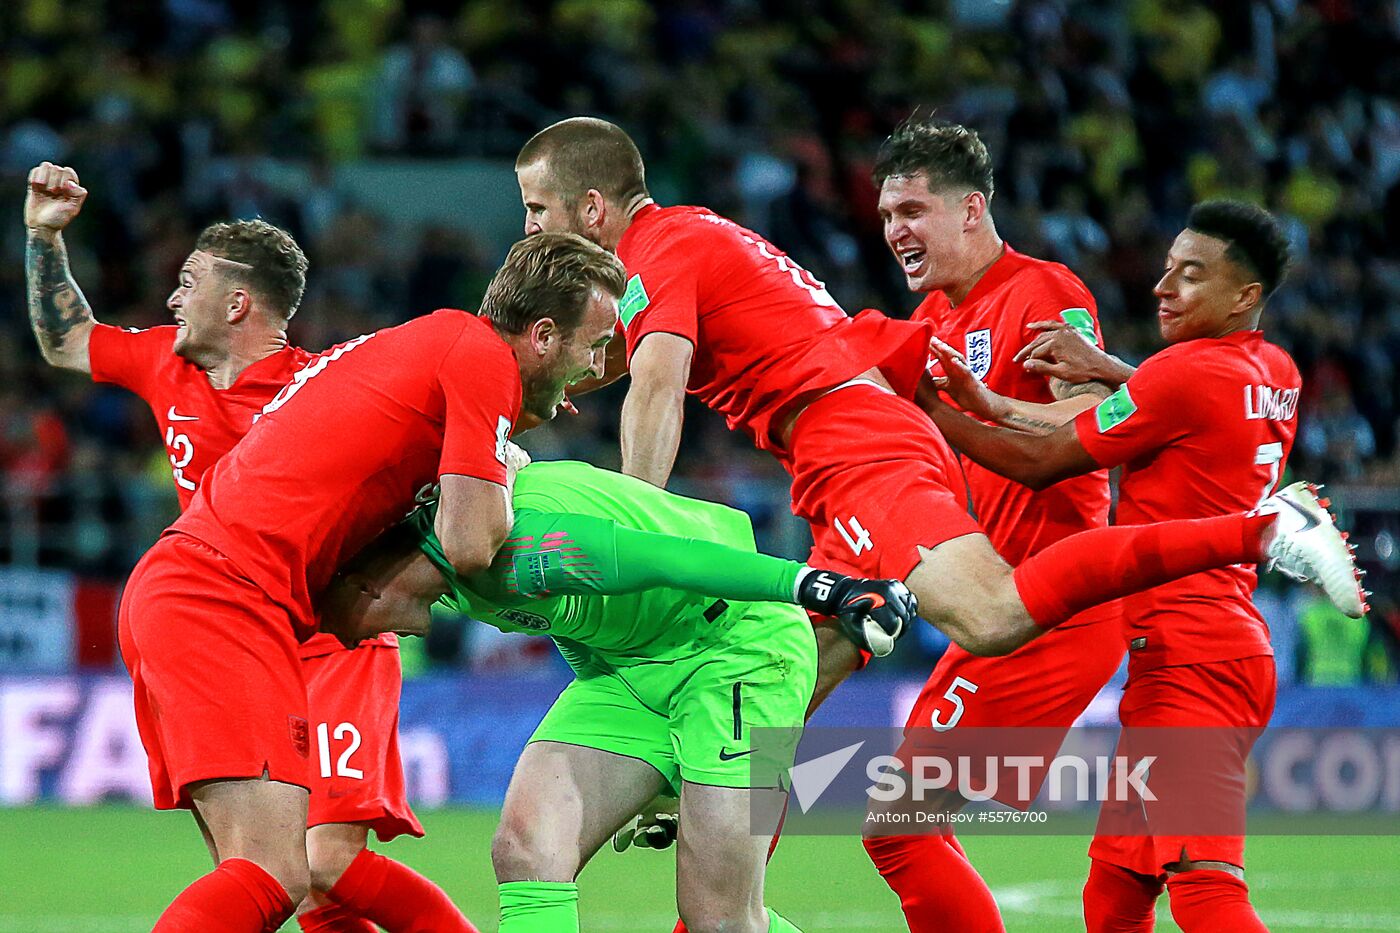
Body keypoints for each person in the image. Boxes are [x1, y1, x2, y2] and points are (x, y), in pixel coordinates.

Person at [511, 116, 1359, 695]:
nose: (529, 233)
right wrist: (512, 401)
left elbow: (657, 380)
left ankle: (1266, 529)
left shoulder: (666, 248)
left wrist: (636, 533)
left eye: (538, 212)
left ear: (593, 209)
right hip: (832, 448)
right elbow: (608, 359)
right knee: (800, 655)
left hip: (855, 435)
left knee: (985, 623)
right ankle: (703, 790)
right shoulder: (673, 256)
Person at [110, 230, 624, 932]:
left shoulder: (431, 344)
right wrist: (506, 453)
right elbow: (469, 542)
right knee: (279, 870)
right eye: (593, 347)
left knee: (276, 877)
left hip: (195, 588)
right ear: (541, 335)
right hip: (225, 597)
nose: (594, 370)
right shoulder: (476, 357)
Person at [22, 162, 474, 933]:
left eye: (188, 280)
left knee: (322, 862)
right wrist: (43, 235)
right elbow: (67, 341)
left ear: (236, 301)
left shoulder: (324, 388)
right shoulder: (168, 363)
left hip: (330, 636)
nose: (170, 298)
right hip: (230, 629)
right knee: (278, 876)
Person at [920, 200, 1368, 932]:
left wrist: (931, 410)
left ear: (1243, 296)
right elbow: (1183, 409)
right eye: (1166, 270)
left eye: (1191, 276)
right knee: (1116, 890)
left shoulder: (1181, 374)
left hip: (1192, 657)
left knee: (1208, 890)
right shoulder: (1274, 369)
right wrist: (1043, 388)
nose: (1163, 288)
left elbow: (1041, 464)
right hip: (1205, 647)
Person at [320, 457, 921, 933]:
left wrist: (820, 587)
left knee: (721, 921)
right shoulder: (447, 578)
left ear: (365, 578)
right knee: (528, 849)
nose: (365, 636)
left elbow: (676, 561)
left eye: (346, 617)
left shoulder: (518, 543)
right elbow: (571, 625)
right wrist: (648, 770)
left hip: (739, 644)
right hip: (628, 670)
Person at [862, 118, 1126, 931]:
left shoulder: (1046, 293)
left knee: (900, 822)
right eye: (885, 217)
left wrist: (941, 413)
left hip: (1054, 599)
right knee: (905, 822)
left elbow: (1091, 420)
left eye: (912, 210)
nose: (895, 230)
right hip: (996, 601)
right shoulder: (940, 321)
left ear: (971, 209)